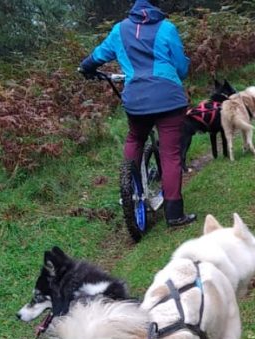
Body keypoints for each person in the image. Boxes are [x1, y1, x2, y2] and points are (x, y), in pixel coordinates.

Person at [79, 0, 196, 227]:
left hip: (137, 100)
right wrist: (175, 76)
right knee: (170, 153)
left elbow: (98, 55)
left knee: (135, 137)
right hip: (168, 99)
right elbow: (181, 66)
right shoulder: (166, 28)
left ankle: (130, 190)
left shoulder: (120, 29)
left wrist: (86, 67)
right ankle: (174, 214)